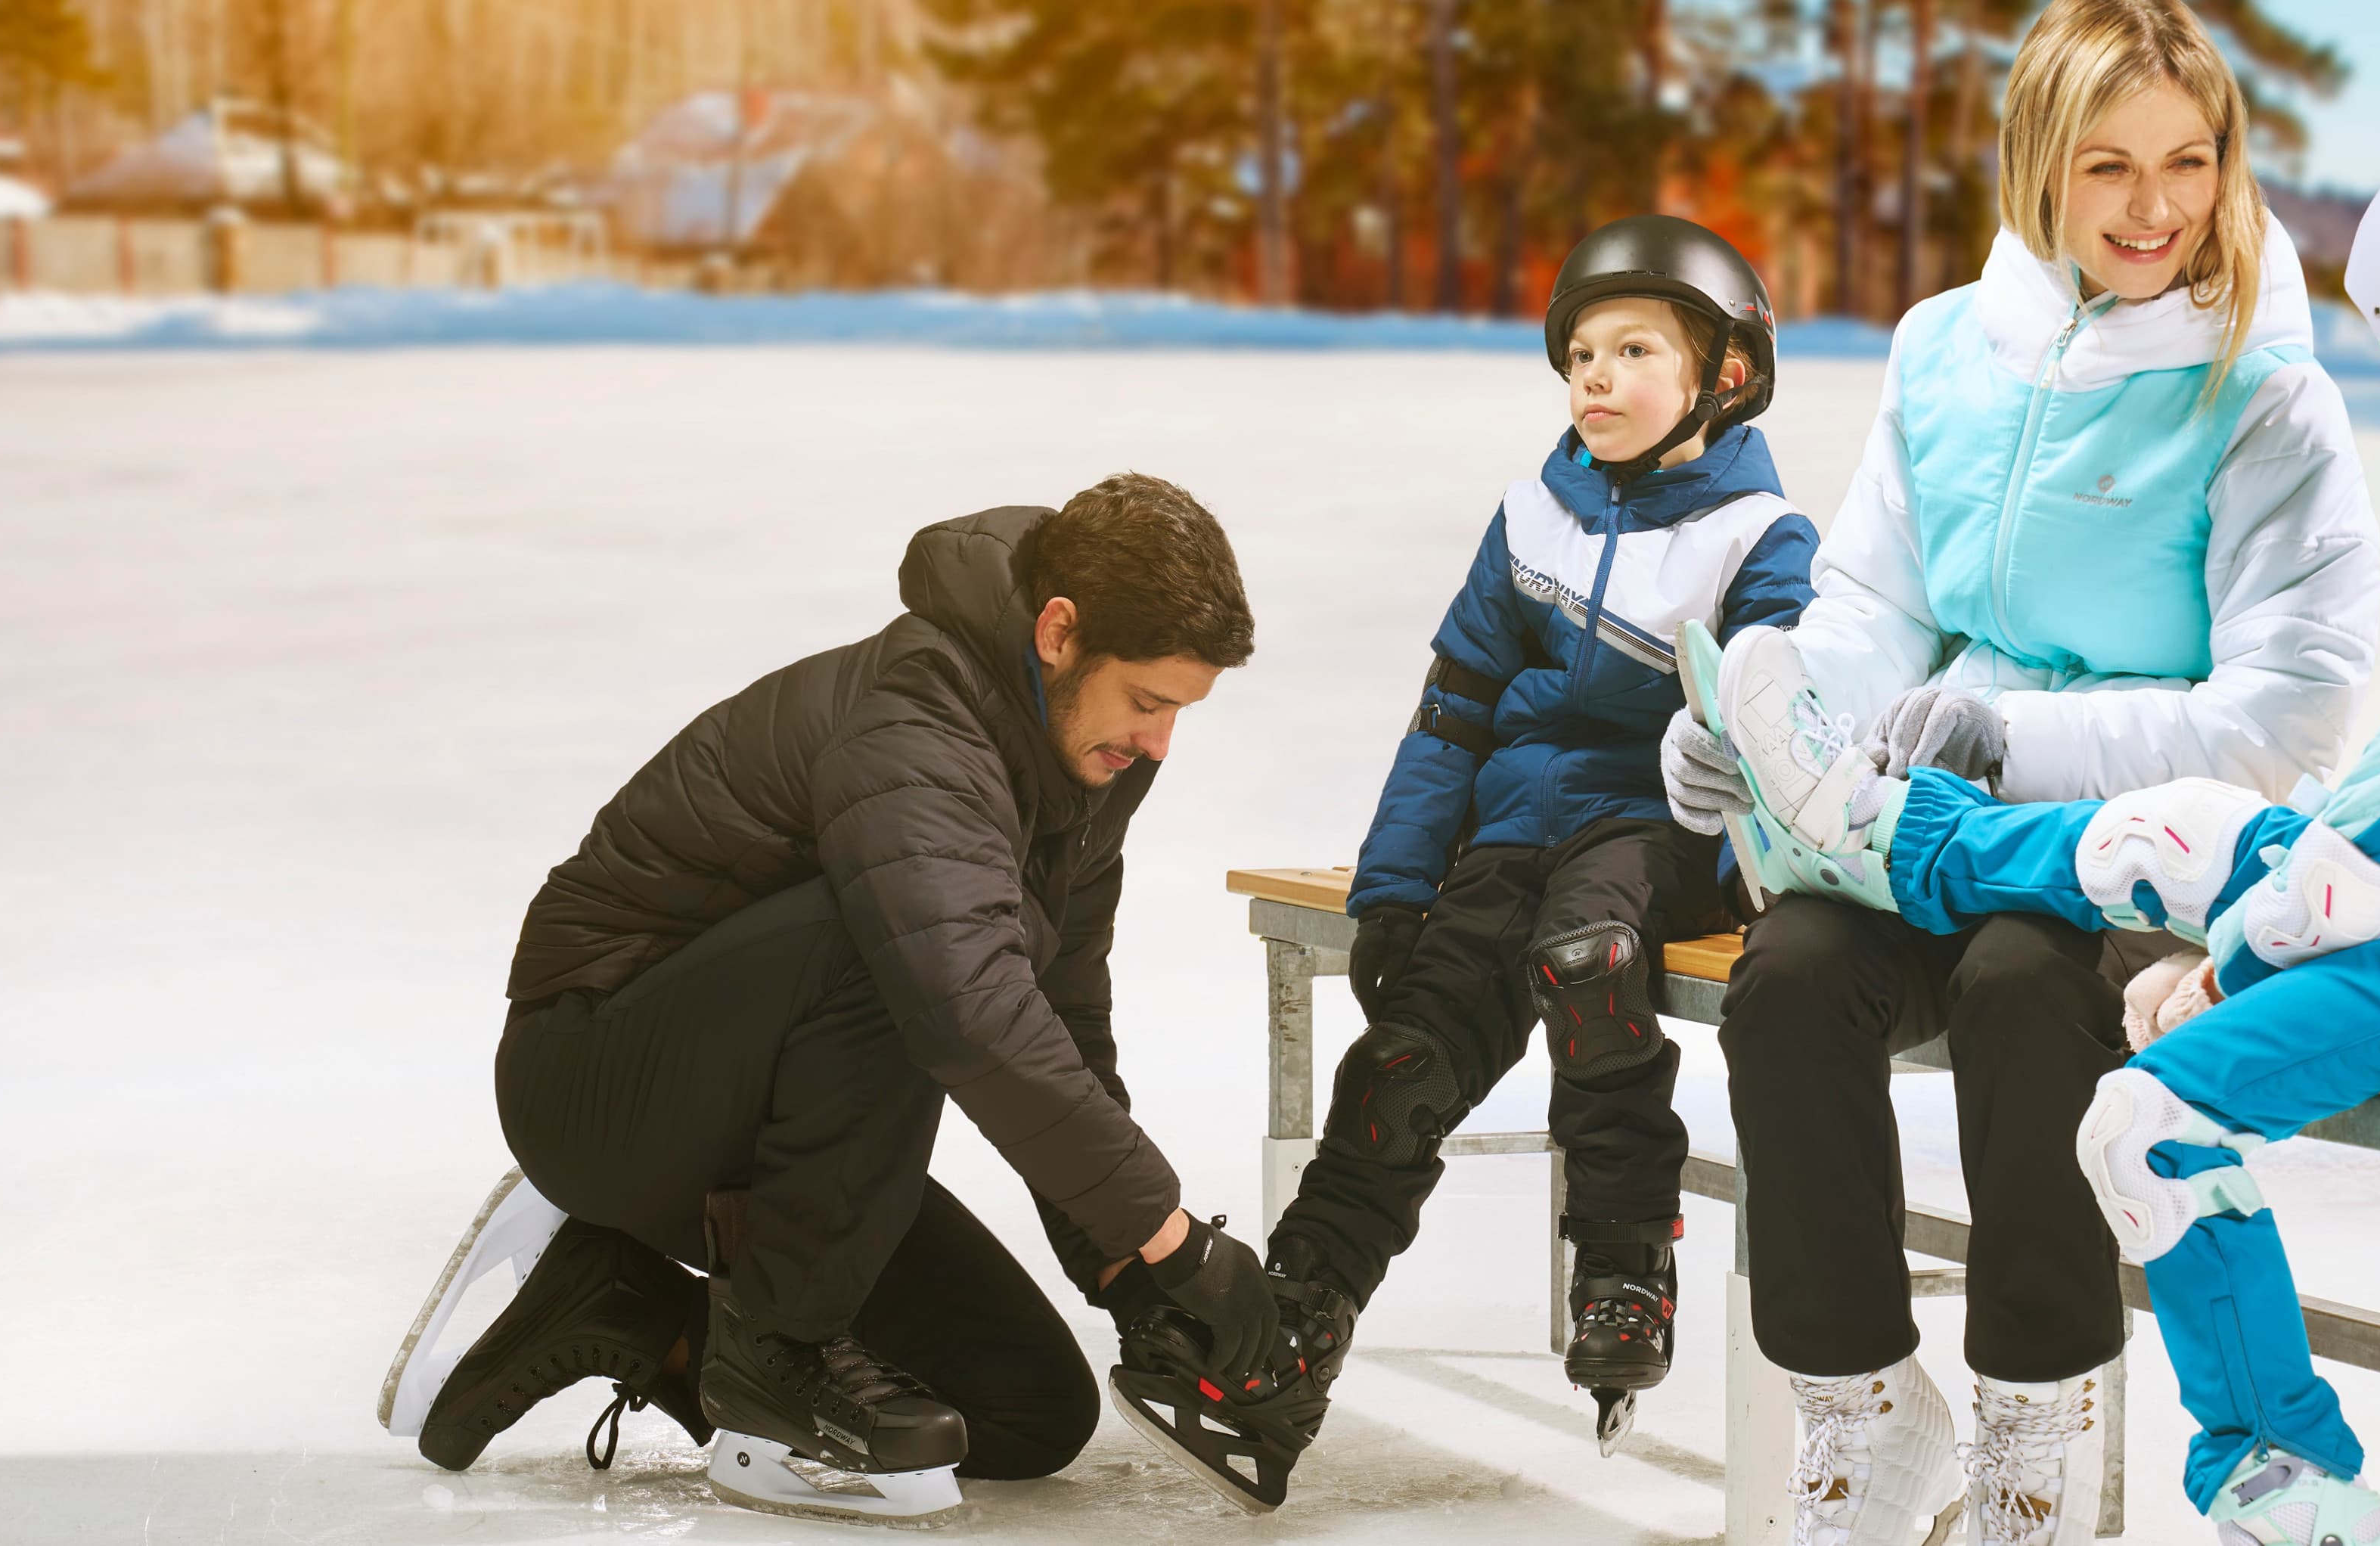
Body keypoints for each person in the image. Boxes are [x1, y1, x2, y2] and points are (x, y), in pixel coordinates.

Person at [1715, 136, 2380, 1546]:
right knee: (2172, 833)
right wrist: (2236, 910)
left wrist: (2225, 973)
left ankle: (2280, 1478)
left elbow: (2374, 839)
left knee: (2146, 1122)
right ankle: (1881, 830)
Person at [1659, 2, 2378, 1542]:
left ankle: (2034, 1436)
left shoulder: (2263, 390)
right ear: (2037, 163)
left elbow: (2294, 706)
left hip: (2154, 858)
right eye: (2107, 164)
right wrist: (1754, 714)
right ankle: (1861, 1409)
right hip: (1943, 833)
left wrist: (2018, 734)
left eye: (2188, 162)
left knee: (2017, 983)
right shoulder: (1947, 350)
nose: (2152, 207)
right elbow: (1872, 605)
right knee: (1787, 975)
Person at [402, 476, 1284, 1521]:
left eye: (1181, 711)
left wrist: (1130, 1270)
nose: (1159, 744)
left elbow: (1062, 1025)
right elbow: (966, 1012)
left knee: (1027, 1412)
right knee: (901, 949)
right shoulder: (919, 722)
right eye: (1148, 702)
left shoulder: (1085, 767)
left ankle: (646, 1314)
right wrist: (1174, 1233)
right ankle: (776, 1349)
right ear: (1058, 633)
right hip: (597, 1076)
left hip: (779, 1123)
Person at [1254, 214, 1817, 1466]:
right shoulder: (1529, 520)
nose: (1595, 379)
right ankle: (1294, 1318)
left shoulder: (1758, 537)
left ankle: (1622, 1267)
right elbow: (1452, 712)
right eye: (1579, 355)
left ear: (1723, 376)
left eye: (1631, 350)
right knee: (1405, 1053)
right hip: (1507, 838)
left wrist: (1757, 865)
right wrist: (1397, 887)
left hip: (1653, 830)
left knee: (1591, 959)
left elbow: (1778, 726)